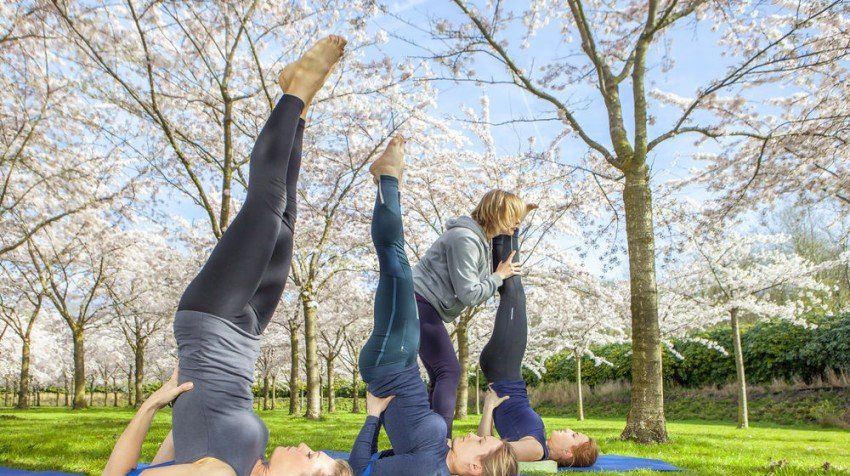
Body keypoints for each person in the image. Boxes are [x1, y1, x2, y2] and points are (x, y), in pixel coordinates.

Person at [103, 36, 353, 476]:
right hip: (245, 336)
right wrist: (183, 406)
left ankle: (296, 90)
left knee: (265, 205)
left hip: (209, 323)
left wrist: (151, 405)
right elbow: (187, 440)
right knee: (286, 224)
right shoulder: (243, 466)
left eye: (314, 460)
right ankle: (300, 113)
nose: (311, 447)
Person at [348, 137, 517, 476]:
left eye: (482, 442)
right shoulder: (439, 456)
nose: (479, 436)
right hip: (402, 354)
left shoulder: (430, 462)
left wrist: (372, 418)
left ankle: (388, 179)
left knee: (394, 257)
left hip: (392, 361)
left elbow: (358, 471)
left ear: (473, 466)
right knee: (447, 370)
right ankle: (387, 178)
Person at [413, 189, 534, 437]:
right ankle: (439, 443)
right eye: (514, 216)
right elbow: (469, 294)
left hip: (422, 303)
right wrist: (499, 276)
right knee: (449, 370)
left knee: (440, 373)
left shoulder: (477, 239)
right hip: (417, 301)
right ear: (497, 213)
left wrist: (519, 217)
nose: (518, 223)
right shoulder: (465, 240)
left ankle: (429, 440)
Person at [476, 231, 600, 467]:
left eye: (573, 436)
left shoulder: (535, 449)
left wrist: (489, 407)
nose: (569, 430)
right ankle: (509, 229)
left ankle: (507, 228)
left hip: (503, 368)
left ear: (567, 454)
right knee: (514, 293)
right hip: (507, 370)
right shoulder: (538, 442)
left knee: (513, 294)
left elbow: (485, 450)